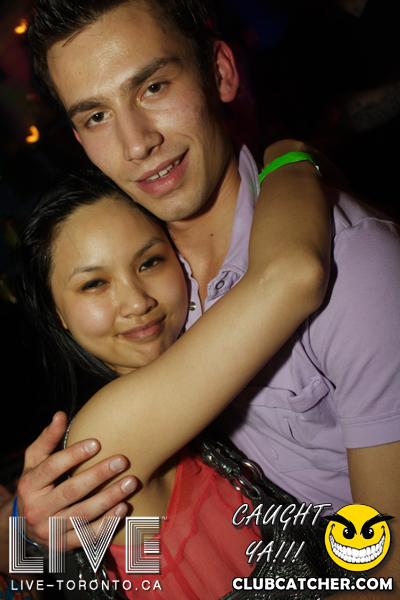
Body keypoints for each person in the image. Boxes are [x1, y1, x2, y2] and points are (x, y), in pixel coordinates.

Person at [19, 0, 400, 595]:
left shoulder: (353, 265)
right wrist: (27, 534)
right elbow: (118, 568)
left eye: (153, 86)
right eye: (96, 115)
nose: (136, 143)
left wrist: (294, 157)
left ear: (220, 72)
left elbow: (386, 569)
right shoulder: (117, 415)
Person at [17, 167, 329, 599]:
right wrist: (289, 154)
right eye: (94, 284)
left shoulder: (193, 387)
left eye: (149, 262)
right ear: (59, 315)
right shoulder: (107, 433)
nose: (137, 301)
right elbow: (294, 273)